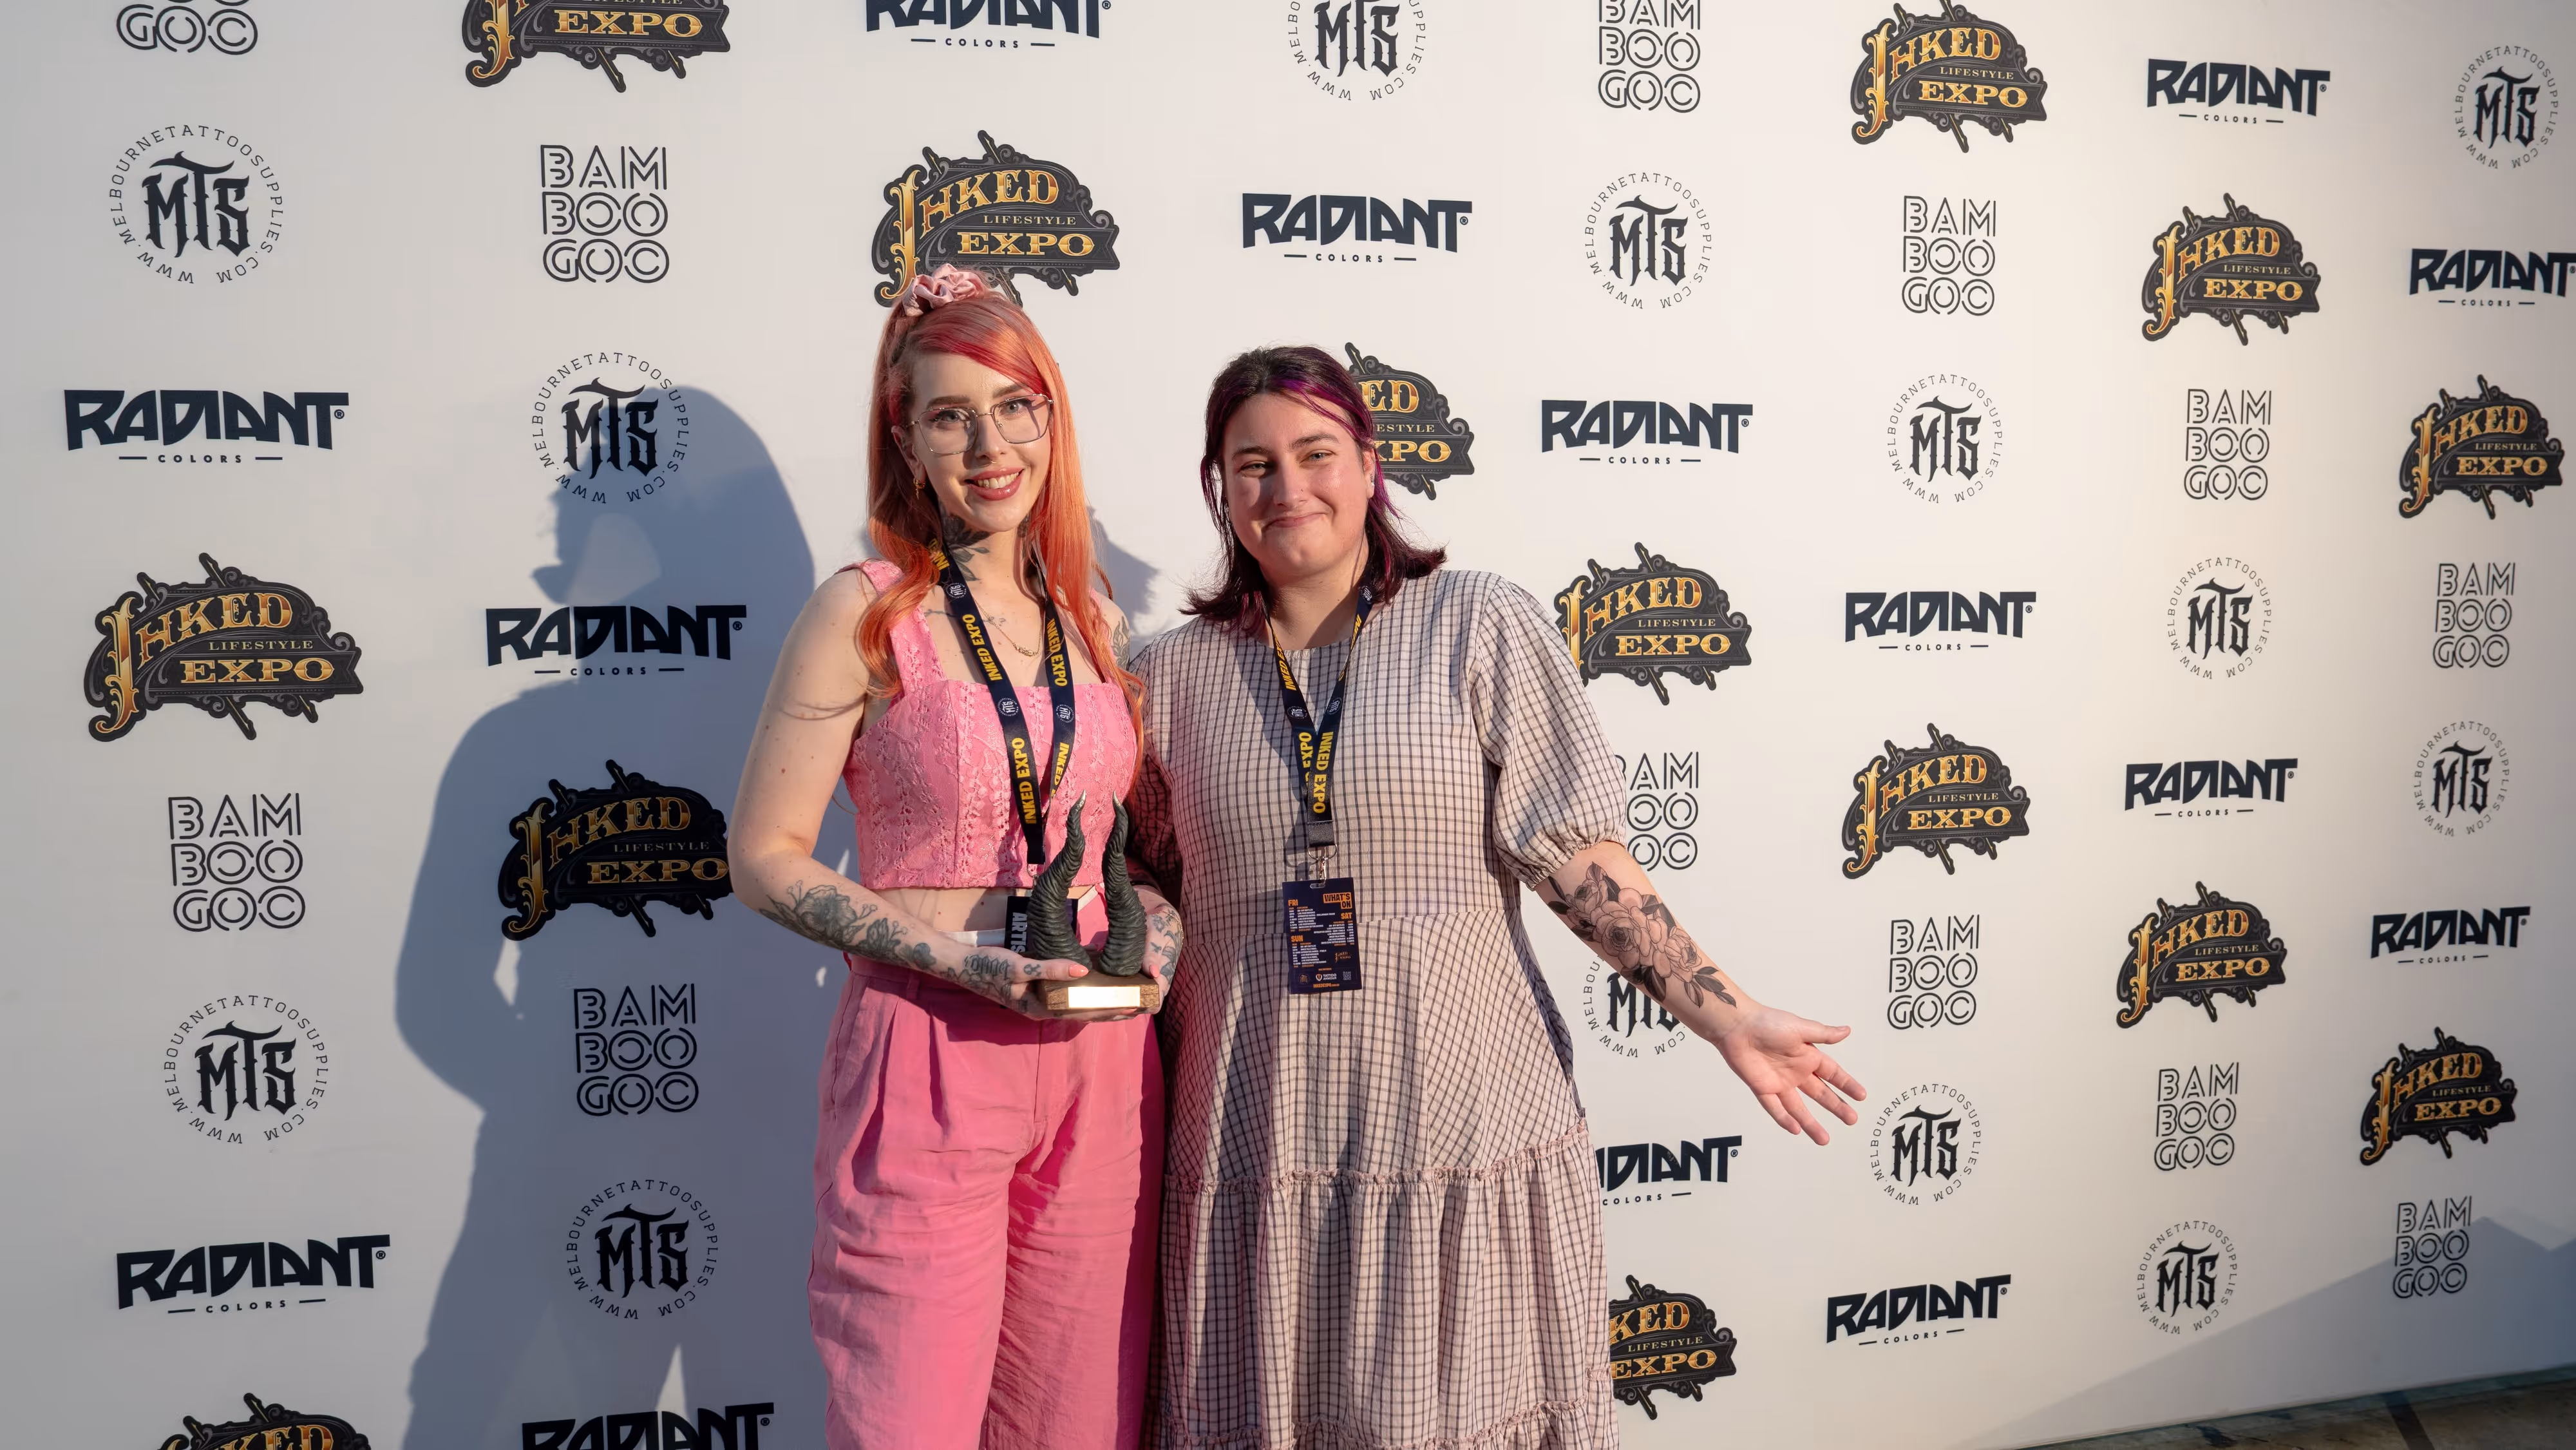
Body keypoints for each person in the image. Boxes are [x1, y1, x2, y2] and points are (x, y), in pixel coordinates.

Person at [1125, 346, 1863, 1449]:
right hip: (1256, 1135)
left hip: (1457, 1121)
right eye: (1254, 464)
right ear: (1218, 486)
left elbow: (1575, 857)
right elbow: (1152, 880)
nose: (1288, 489)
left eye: (1316, 453)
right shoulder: (1169, 676)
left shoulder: (1478, 623)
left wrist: (1725, 1012)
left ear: (1370, 466)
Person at [729, 265, 1180, 1450]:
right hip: (929, 1047)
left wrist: (1161, 944)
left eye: (1015, 406)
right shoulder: (863, 612)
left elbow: (1127, 855)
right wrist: (953, 958)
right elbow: (765, 857)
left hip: (1103, 1059)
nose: (990, 444)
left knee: (1076, 1424)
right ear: (906, 437)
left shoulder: (1097, 622)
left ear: (1053, 416)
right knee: (906, 1423)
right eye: (949, 414)